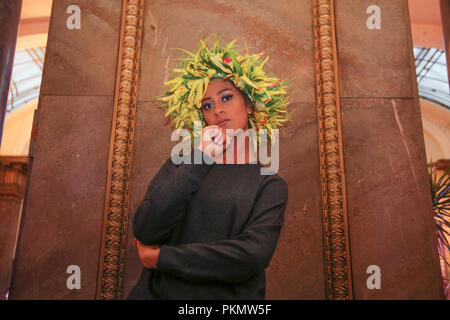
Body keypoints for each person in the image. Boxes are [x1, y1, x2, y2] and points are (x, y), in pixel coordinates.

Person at [127, 38, 290, 299]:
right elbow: (146, 229)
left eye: (226, 97)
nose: (218, 110)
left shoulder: (269, 184)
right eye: (207, 105)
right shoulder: (181, 164)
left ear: (249, 105)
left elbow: (251, 256)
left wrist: (162, 258)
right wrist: (201, 157)